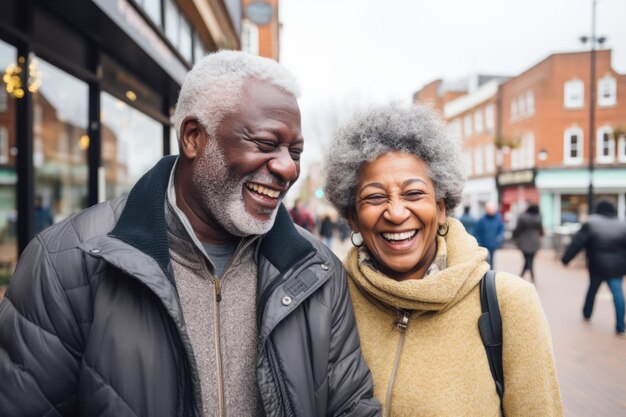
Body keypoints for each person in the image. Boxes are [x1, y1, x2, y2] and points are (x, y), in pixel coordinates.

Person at [0, 51, 379, 417]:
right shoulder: (65, 262)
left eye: (295, 152)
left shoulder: (317, 272)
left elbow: (351, 406)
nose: (287, 169)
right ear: (194, 137)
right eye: (265, 144)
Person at [323, 103, 562, 416]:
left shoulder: (508, 303)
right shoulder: (330, 302)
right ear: (353, 217)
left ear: (440, 207)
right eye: (375, 197)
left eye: (413, 194)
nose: (396, 213)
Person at [562, 200, 626, 337]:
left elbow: (577, 243)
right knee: (618, 295)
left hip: (597, 265)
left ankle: (587, 313)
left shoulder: (591, 223)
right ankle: (621, 326)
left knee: (592, 290)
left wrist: (566, 259)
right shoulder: (622, 224)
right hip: (617, 267)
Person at [512, 204, 543, 282]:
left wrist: (514, 236)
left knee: (528, 260)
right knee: (529, 259)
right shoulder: (538, 217)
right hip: (535, 242)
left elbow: (517, 229)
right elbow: (541, 230)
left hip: (524, 242)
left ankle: (530, 277)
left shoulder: (522, 217)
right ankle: (523, 276)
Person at [475, 201, 505, 269]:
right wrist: (479, 242)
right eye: (489, 209)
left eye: (492, 209)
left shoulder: (498, 218)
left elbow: (501, 230)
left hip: (493, 244)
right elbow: (478, 231)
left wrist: (499, 238)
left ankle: (491, 273)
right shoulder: (482, 219)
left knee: (492, 260)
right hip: (484, 244)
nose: (491, 211)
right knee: (485, 260)